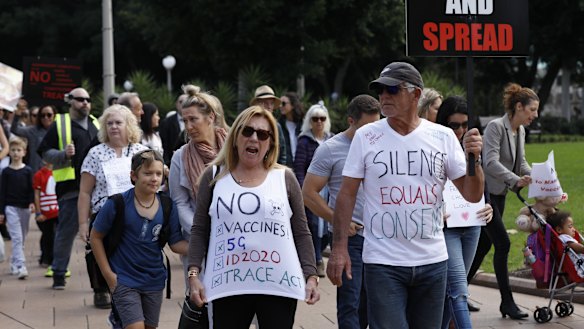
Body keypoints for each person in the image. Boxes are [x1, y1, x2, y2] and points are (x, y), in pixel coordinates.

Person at [327, 61, 485, 329]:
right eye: (381, 91)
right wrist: (339, 249)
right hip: (383, 262)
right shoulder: (366, 136)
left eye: (392, 89)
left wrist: (475, 160)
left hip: (433, 261)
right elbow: (346, 195)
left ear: (415, 94)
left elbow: (471, 194)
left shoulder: (443, 136)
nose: (384, 97)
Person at [188, 106, 320, 328]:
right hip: (227, 285)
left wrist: (311, 276)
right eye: (247, 131)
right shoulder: (213, 177)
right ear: (236, 136)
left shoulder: (285, 178)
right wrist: (193, 274)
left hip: (278, 285)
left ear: (271, 143)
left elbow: (301, 231)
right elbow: (200, 228)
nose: (254, 138)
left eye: (263, 134)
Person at [302, 95, 381, 329]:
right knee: (351, 304)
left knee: (376, 305)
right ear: (350, 121)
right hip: (352, 240)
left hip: (382, 238)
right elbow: (308, 193)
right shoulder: (331, 149)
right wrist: (339, 221)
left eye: (376, 126)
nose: (372, 133)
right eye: (366, 128)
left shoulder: (383, 143)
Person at [90, 149, 188, 329]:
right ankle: (119, 319)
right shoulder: (117, 204)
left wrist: (204, 247)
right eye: (148, 173)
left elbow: (175, 243)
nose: (154, 178)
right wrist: (108, 275)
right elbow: (95, 237)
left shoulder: (167, 206)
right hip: (124, 278)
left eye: (159, 174)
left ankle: (117, 321)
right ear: (133, 176)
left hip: (154, 279)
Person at [467, 83, 538, 320]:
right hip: (484, 196)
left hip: (499, 195)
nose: (535, 115)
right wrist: (516, 179)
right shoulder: (496, 127)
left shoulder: (520, 132)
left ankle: (457, 293)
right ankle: (507, 302)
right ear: (519, 106)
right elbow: (490, 162)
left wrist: (538, 175)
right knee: (503, 244)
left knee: (484, 246)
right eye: (532, 110)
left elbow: (521, 162)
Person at [77, 105, 148, 307]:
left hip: (136, 212)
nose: (114, 127)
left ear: (129, 125)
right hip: (103, 213)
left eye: (118, 122)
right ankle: (101, 289)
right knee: (99, 251)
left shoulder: (141, 152)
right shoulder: (95, 153)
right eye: (109, 123)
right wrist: (83, 223)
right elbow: (84, 191)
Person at [435, 96, 494, 329]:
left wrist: (487, 204)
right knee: (459, 291)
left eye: (465, 125)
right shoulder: (435, 145)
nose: (460, 130)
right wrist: (434, 209)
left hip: (472, 226)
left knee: (453, 292)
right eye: (454, 125)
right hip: (447, 227)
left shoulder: (473, 146)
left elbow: (480, 183)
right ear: (444, 124)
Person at [37, 88, 101, 294]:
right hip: (71, 188)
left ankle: (100, 278)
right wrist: (63, 154)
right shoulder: (60, 123)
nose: (85, 102)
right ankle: (58, 272)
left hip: (96, 188)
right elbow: (44, 152)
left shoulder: (96, 123)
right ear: (70, 101)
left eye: (88, 99)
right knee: (66, 232)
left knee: (98, 233)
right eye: (80, 99)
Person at [168, 84, 228, 286]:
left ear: (210, 117)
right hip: (199, 242)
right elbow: (180, 202)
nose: (188, 126)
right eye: (185, 120)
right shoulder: (180, 157)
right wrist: (202, 232)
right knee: (202, 302)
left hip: (236, 236)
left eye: (193, 119)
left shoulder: (234, 149)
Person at [294, 101, 334, 277]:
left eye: (322, 118)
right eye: (315, 119)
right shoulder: (304, 141)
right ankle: (317, 260)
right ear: (309, 121)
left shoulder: (332, 139)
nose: (319, 122)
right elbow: (299, 166)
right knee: (315, 225)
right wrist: (304, 191)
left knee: (326, 227)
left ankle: (320, 253)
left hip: (330, 190)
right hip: (313, 190)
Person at [0, 137, 34, 279]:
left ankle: (14, 262)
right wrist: (1, 211)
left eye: (18, 150)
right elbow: (1, 192)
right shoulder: (6, 172)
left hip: (25, 208)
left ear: (24, 152)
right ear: (9, 153)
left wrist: (32, 203)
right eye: (12, 150)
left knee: (22, 237)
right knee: (17, 237)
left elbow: (31, 189)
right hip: (10, 208)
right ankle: (21, 265)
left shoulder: (27, 170)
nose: (15, 153)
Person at [11, 104, 57, 173]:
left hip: (53, 172)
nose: (46, 117)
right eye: (42, 115)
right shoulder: (33, 130)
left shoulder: (59, 131)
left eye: (49, 115)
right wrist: (17, 115)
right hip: (35, 172)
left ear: (54, 115)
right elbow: (15, 129)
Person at [250, 85, 287, 165]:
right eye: (265, 103)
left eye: (272, 103)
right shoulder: (248, 124)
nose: (269, 106)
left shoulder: (277, 126)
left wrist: (278, 171)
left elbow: (282, 154)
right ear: (257, 104)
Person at [33, 161, 59, 271]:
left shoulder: (58, 172)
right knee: (47, 235)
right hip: (45, 213)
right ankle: (45, 257)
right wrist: (38, 212)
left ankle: (53, 258)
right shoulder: (39, 175)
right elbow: (36, 194)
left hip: (57, 211)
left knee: (55, 235)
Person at [547, 210, 584, 277]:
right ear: (559, 230)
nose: (574, 229)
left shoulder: (564, 238)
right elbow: (579, 248)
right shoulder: (564, 238)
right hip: (581, 268)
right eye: (570, 227)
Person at [159, 93, 188, 165]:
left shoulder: (196, 121)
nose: (183, 104)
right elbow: (164, 145)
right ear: (176, 104)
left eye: (186, 102)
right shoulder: (167, 122)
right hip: (172, 162)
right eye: (181, 102)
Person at [279, 92, 304, 167]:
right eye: (279, 103)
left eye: (283, 103)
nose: (280, 106)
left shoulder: (303, 124)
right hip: (285, 166)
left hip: (302, 166)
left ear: (293, 105)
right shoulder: (279, 125)